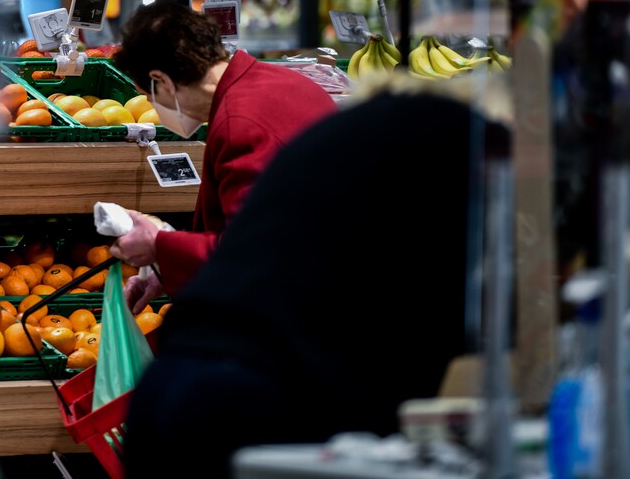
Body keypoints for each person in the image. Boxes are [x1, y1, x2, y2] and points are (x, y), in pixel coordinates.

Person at [121, 76, 513, 479]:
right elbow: (449, 307)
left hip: (169, 385)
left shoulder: (348, 135)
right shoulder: (471, 150)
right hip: (261, 405)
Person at [109, 0, 337, 310]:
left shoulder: (238, 122)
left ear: (161, 80)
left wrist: (158, 245)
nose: (154, 106)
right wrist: (171, 274)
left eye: (150, 96)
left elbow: (252, 252)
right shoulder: (289, 82)